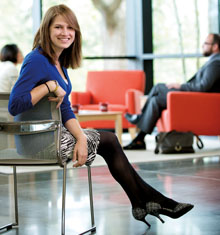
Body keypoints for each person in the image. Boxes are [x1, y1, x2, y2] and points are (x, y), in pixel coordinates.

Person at [8, 4, 193, 227]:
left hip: (51, 136)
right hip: (38, 142)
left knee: (108, 141)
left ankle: (145, 202)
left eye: (70, 28)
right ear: (46, 29)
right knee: (110, 140)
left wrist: (82, 138)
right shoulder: (36, 59)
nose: (65, 32)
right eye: (58, 27)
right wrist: (49, 85)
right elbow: (15, 104)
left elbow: (65, 109)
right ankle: (150, 201)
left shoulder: (59, 64)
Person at [124, 33, 220, 150]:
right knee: (155, 101)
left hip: (197, 100)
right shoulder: (213, 61)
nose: (202, 46)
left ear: (215, 46)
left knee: (159, 87)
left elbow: (202, 87)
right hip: (194, 98)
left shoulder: (216, 63)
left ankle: (139, 117)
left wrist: (180, 86)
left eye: (206, 43)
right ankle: (139, 140)